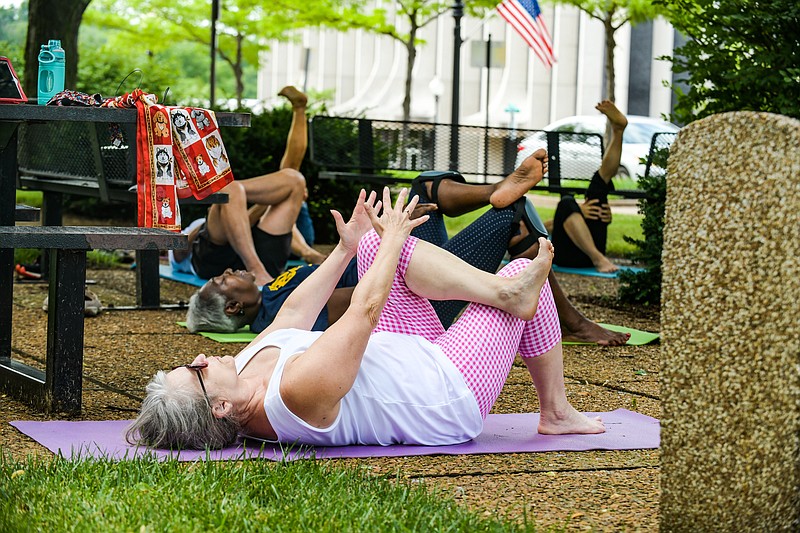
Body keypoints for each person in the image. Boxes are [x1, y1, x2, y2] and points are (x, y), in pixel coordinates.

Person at [126, 186, 606, 450]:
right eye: (195, 371)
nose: (201, 357)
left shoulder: (244, 373)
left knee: (373, 244)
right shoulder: (293, 397)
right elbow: (365, 311)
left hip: (408, 354)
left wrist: (349, 247)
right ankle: (555, 408)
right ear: (220, 410)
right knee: (525, 272)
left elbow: (294, 313)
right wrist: (396, 235)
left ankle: (506, 295)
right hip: (445, 391)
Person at [186, 150, 630, 346]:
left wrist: (364, 241)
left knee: (424, 188)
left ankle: (497, 188)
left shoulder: (275, 290)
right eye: (220, 282)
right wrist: (380, 245)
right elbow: (362, 304)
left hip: (411, 269)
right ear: (231, 309)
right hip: (425, 302)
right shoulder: (277, 316)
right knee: (511, 216)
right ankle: (572, 321)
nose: (225, 273)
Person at [169, 86, 325, 287]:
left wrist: (238, 200)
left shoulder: (235, 213)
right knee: (231, 192)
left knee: (294, 179)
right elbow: (180, 252)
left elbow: (246, 222)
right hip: (216, 262)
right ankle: (261, 266)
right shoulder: (185, 242)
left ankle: (232, 193)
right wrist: (204, 225)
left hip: (260, 250)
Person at [545, 100, 628, 273]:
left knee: (598, 188)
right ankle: (598, 259)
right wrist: (576, 212)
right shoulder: (512, 210)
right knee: (566, 203)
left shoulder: (512, 202)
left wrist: (581, 214)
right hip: (567, 257)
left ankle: (618, 131)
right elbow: (532, 231)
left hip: (591, 249)